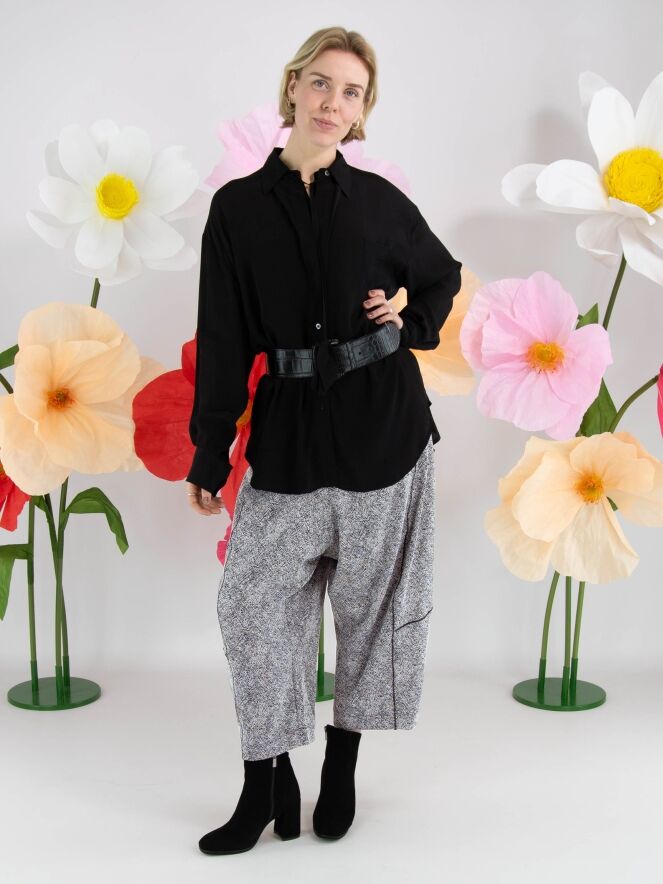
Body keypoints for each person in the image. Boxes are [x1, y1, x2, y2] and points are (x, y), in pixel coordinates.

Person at [185, 25, 463, 855]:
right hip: (290, 440)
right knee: (250, 606)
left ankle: (341, 762)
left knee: (369, 612)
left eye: (351, 92)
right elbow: (223, 338)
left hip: (385, 432)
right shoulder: (237, 210)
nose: (332, 103)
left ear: (362, 109)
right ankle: (264, 781)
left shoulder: (378, 202)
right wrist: (209, 452)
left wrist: (406, 323)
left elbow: (441, 276)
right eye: (320, 83)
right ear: (292, 87)